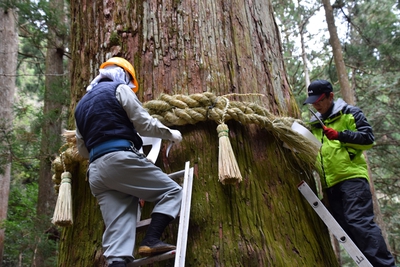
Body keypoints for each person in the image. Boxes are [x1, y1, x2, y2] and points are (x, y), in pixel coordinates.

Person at [74, 57, 183, 267]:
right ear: (124, 75)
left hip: (96, 173)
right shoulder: (119, 89)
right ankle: (151, 240)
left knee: (118, 242)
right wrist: (170, 134)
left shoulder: (80, 106)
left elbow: (82, 150)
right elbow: (143, 124)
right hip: (120, 160)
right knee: (172, 192)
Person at [304, 79, 396, 267]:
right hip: (330, 184)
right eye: (313, 101)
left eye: (319, 100)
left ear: (331, 96)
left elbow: (368, 139)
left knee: (359, 222)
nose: (316, 104)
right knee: (345, 229)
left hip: (352, 179)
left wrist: (340, 135)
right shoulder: (314, 124)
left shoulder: (350, 113)